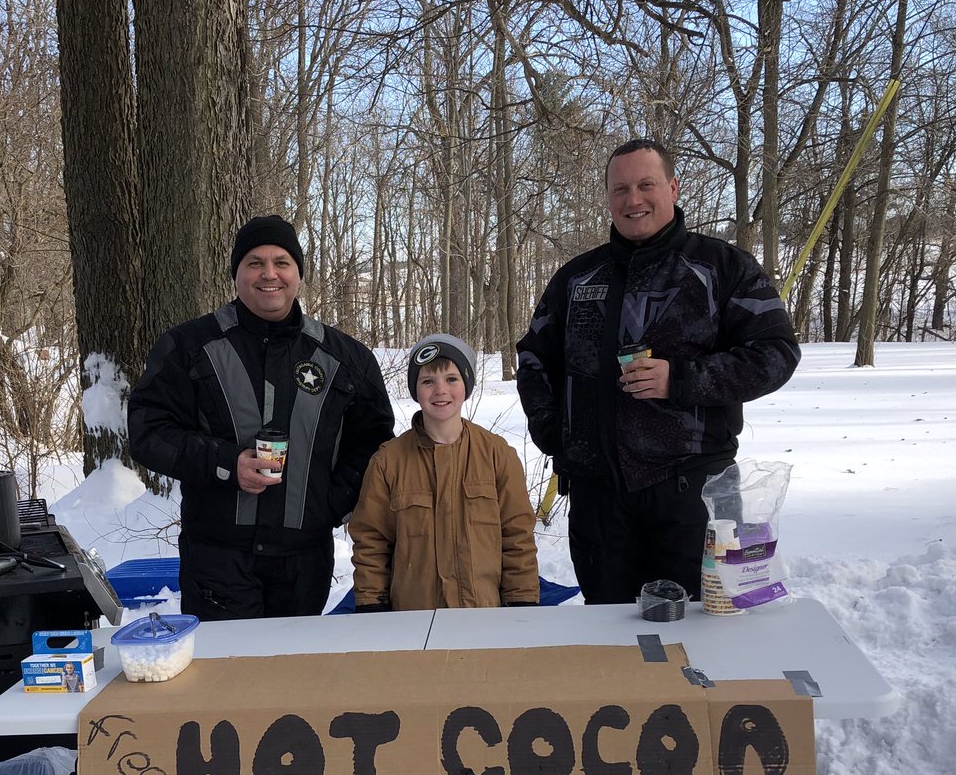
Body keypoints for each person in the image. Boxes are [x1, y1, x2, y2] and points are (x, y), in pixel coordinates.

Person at [515, 139, 801, 604]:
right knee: (609, 634)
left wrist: (682, 380)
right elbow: (533, 359)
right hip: (599, 498)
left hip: (696, 493)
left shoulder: (722, 268)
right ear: (607, 198)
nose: (633, 200)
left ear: (672, 187)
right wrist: (555, 433)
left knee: (705, 631)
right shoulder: (577, 278)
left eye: (646, 185)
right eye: (620, 189)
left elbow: (776, 354)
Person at [128, 214, 394, 620]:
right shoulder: (189, 347)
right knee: (225, 678)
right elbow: (149, 433)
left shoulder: (346, 359)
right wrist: (226, 463)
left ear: (298, 274)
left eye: (281, 262)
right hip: (218, 561)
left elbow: (374, 442)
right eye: (255, 262)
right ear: (236, 273)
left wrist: (331, 502)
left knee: (292, 678)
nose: (269, 274)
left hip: (303, 564)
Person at [349, 333, 539, 612]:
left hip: (484, 617)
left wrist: (521, 600)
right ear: (416, 389)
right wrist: (371, 603)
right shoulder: (387, 462)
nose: (441, 390)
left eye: (452, 379)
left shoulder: (497, 455)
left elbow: (518, 536)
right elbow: (371, 542)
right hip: (412, 619)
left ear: (467, 386)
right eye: (428, 381)